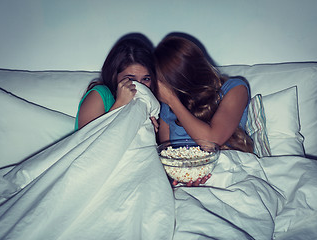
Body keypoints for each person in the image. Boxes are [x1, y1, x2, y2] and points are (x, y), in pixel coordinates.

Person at [154, 35, 253, 186]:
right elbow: (167, 156)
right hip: (187, 180)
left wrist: (173, 101)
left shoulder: (235, 89)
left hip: (227, 173)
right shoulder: (167, 107)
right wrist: (180, 177)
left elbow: (212, 141)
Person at [75, 36, 158, 130]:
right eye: (131, 79)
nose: (139, 85)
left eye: (146, 79)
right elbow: (86, 140)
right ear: (114, 75)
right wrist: (120, 104)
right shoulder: (99, 94)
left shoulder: (152, 104)